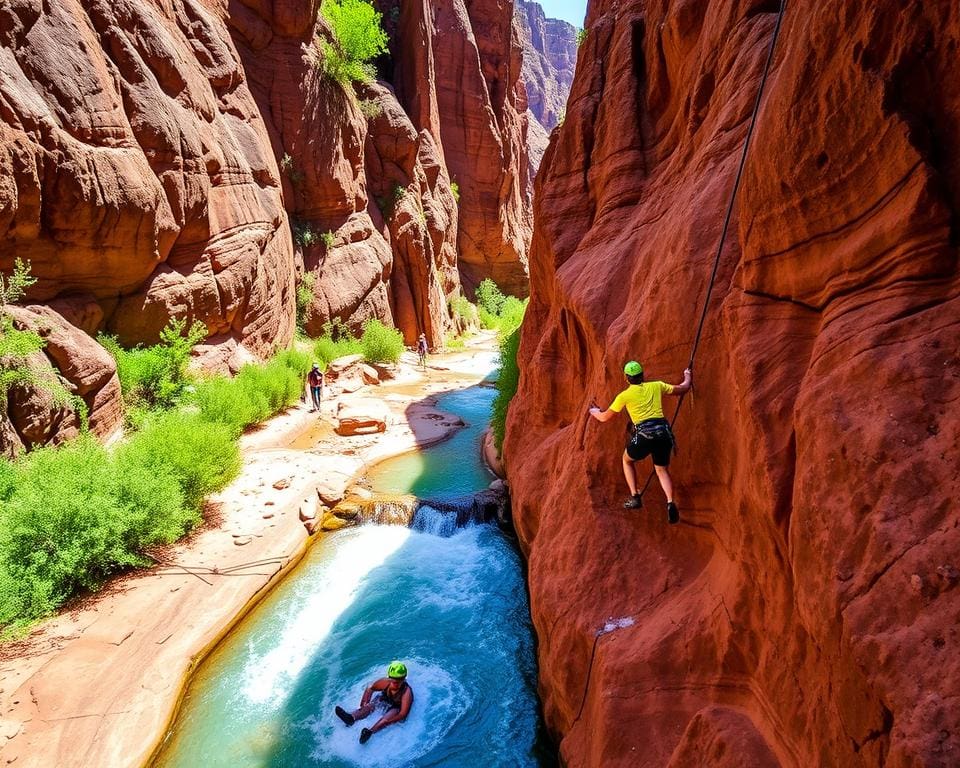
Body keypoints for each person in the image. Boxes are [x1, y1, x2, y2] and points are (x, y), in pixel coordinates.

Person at [588, 361, 692, 524]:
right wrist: (687, 375)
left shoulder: (624, 396)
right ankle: (670, 502)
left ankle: (635, 496)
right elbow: (683, 388)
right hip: (663, 434)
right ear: (642, 375)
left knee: (627, 460)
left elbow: (604, 417)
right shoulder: (657, 386)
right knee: (661, 470)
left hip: (645, 435)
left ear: (626, 378)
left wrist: (594, 412)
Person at [334, 661, 414, 744]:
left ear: (404, 679)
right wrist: (364, 703)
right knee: (370, 706)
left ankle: (369, 732)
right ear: (389, 677)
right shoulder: (385, 682)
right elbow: (370, 688)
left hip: (396, 706)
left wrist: (389, 721)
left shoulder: (406, 693)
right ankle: (350, 718)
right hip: (385, 698)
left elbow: (402, 714)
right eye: (393, 680)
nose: (395, 683)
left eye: (398, 681)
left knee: (386, 718)